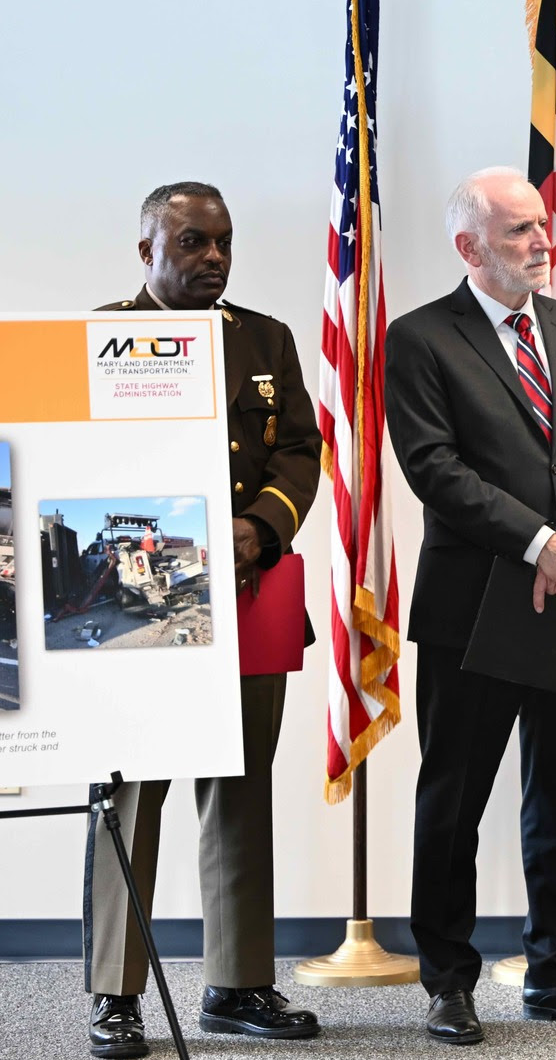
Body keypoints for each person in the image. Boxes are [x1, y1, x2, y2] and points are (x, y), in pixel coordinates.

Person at [384, 168, 556, 1045]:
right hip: (473, 601)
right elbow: (434, 467)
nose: (543, 242)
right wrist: (539, 544)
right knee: (455, 795)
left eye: (542, 226)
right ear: (470, 247)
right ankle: (448, 979)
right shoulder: (420, 338)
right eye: (520, 231)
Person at [86, 182, 322, 1059]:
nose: (212, 258)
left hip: (249, 595)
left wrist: (259, 527)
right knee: (130, 797)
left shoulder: (265, 339)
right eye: (190, 242)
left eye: (222, 242)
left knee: (239, 790)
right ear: (145, 247)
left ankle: (238, 981)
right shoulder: (100, 337)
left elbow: (301, 447)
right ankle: (115, 995)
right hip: (139, 606)